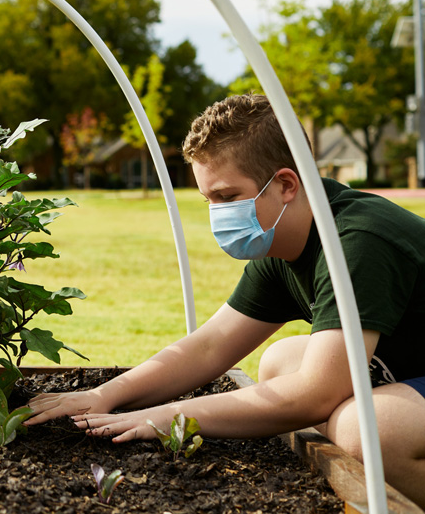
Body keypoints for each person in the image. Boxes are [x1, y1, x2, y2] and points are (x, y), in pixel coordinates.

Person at [26, 93, 425, 507]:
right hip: (409, 365)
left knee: (368, 431)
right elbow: (210, 346)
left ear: (286, 184)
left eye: (228, 196)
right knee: (280, 362)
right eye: (208, 199)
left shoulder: (357, 242)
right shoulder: (286, 242)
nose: (217, 212)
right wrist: (105, 395)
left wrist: (171, 416)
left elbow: (316, 395)